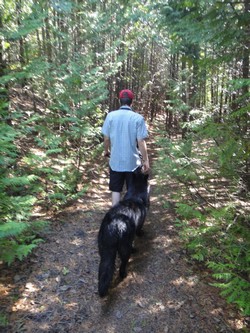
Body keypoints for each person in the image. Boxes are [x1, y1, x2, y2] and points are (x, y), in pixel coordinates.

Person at [101, 89, 150, 206]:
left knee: (116, 190)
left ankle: (114, 215)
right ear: (131, 102)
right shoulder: (138, 118)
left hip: (115, 161)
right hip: (132, 162)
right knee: (131, 190)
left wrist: (106, 151)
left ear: (120, 100)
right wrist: (146, 160)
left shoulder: (110, 116)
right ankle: (130, 217)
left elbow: (106, 138)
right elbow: (141, 141)